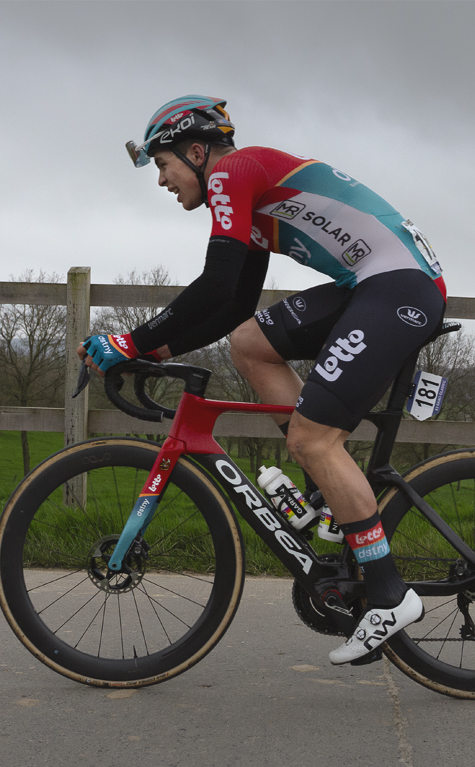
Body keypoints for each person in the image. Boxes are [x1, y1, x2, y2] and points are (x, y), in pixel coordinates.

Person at [78, 95, 447, 664]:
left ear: (195, 152)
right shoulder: (244, 191)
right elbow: (233, 305)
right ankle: (326, 497)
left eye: (164, 165)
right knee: (249, 343)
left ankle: (389, 594)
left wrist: (130, 341)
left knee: (313, 440)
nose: (162, 181)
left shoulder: (232, 172)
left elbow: (215, 281)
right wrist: (153, 352)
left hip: (397, 286)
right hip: (377, 284)